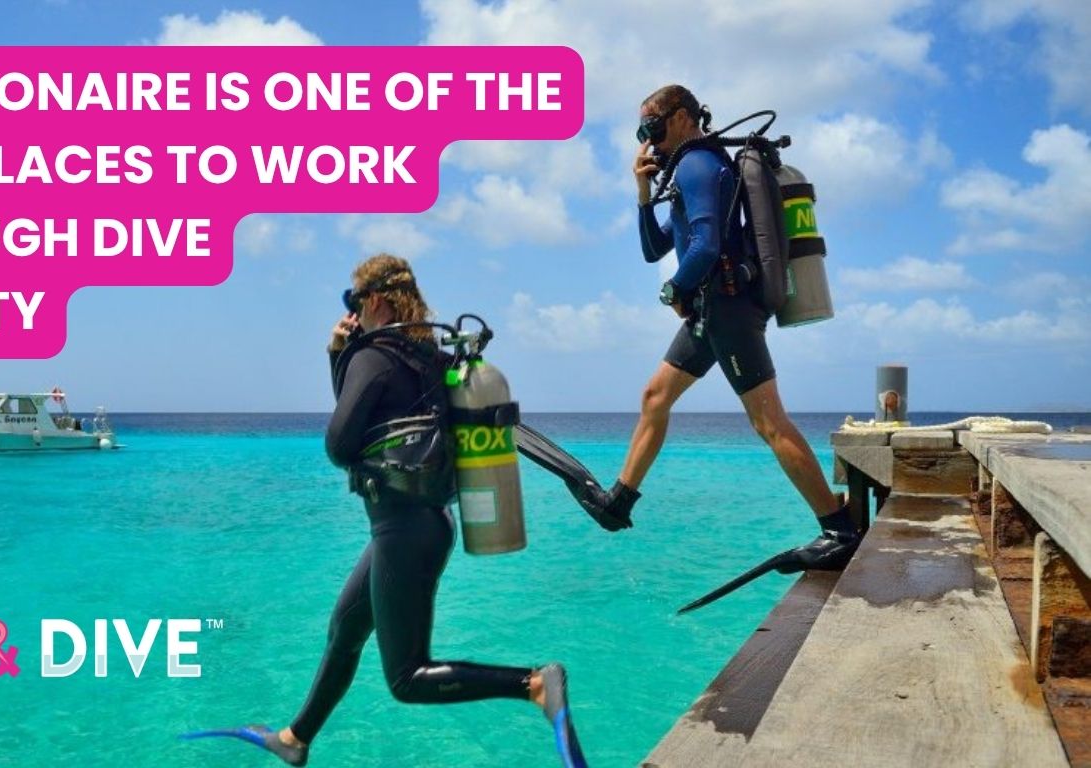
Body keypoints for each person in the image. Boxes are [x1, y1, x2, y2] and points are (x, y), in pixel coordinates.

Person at [184, 254, 587, 767]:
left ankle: (533, 684)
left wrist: (345, 354)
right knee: (345, 631)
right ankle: (295, 738)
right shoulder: (426, 357)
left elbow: (340, 443)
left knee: (407, 678)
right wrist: (342, 357)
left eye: (354, 301)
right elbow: (369, 423)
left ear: (373, 300)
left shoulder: (372, 356)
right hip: (419, 524)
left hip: (403, 529)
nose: (353, 313)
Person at [584, 84, 858, 571]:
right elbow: (655, 248)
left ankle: (839, 528)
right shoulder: (688, 170)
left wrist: (673, 290)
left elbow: (707, 246)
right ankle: (621, 499)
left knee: (768, 421)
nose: (649, 140)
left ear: (684, 117)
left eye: (653, 126)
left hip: (728, 310)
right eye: (641, 131)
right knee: (655, 397)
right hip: (710, 313)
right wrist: (643, 195)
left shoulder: (697, 165)